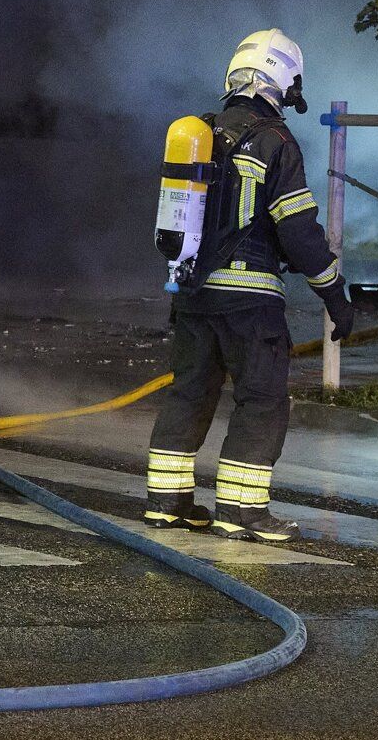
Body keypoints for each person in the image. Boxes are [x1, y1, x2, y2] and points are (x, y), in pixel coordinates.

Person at [144, 29, 356, 542]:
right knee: (261, 399)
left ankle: (168, 503)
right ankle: (242, 511)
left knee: (190, 392)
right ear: (282, 78)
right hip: (250, 300)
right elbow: (298, 231)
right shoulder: (275, 141)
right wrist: (334, 294)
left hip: (193, 293)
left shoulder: (201, 133)